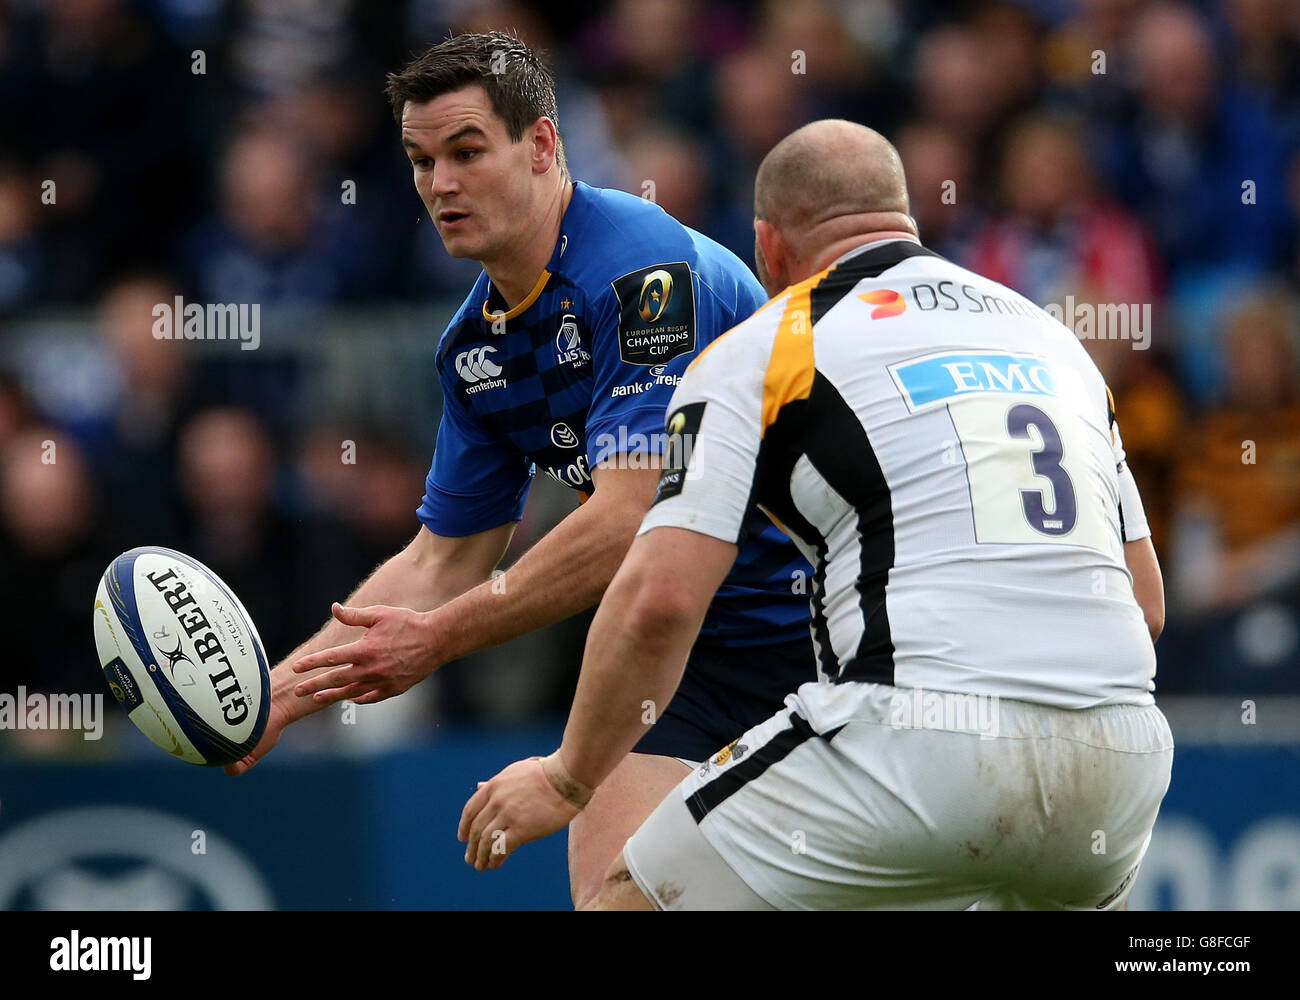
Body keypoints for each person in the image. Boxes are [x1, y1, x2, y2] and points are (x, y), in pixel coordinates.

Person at [460, 119, 1174, 911]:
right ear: (905, 216)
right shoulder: (1054, 340)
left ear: (768, 247)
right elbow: (1145, 603)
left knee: (622, 901)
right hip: (1119, 762)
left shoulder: (763, 346)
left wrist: (567, 778)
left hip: (913, 743)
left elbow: (658, 601)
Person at [222, 31, 815, 909]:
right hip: (684, 652)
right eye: (422, 162)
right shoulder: (474, 349)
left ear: (541, 145)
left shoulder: (640, 271)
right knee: (615, 898)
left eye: (467, 152)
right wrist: (278, 691)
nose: (442, 185)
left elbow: (627, 521)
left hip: (822, 625)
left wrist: (445, 635)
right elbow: (441, 559)